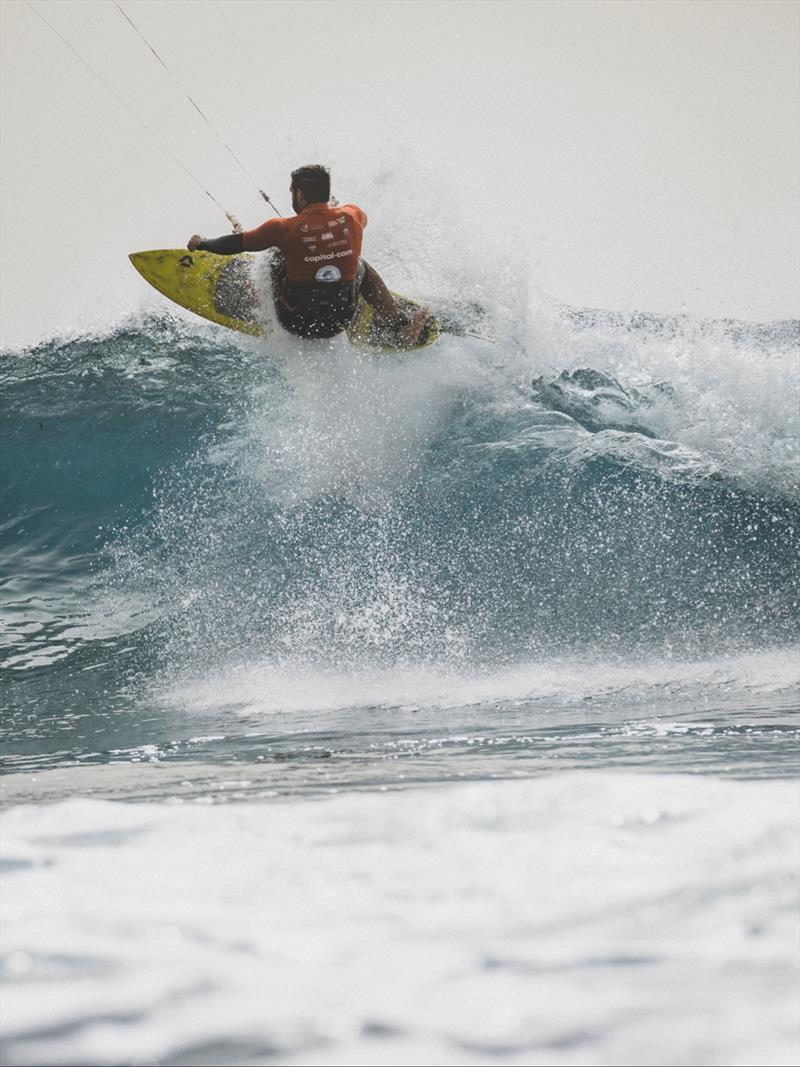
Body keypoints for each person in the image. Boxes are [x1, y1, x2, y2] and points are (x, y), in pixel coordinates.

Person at [187, 164, 429, 346]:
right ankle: (399, 324)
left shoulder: (281, 228)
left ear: (300, 194)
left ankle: (254, 304)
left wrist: (202, 243)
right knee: (359, 266)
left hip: (296, 321)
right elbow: (359, 220)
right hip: (339, 320)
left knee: (273, 254)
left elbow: (235, 243)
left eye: (293, 191)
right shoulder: (352, 215)